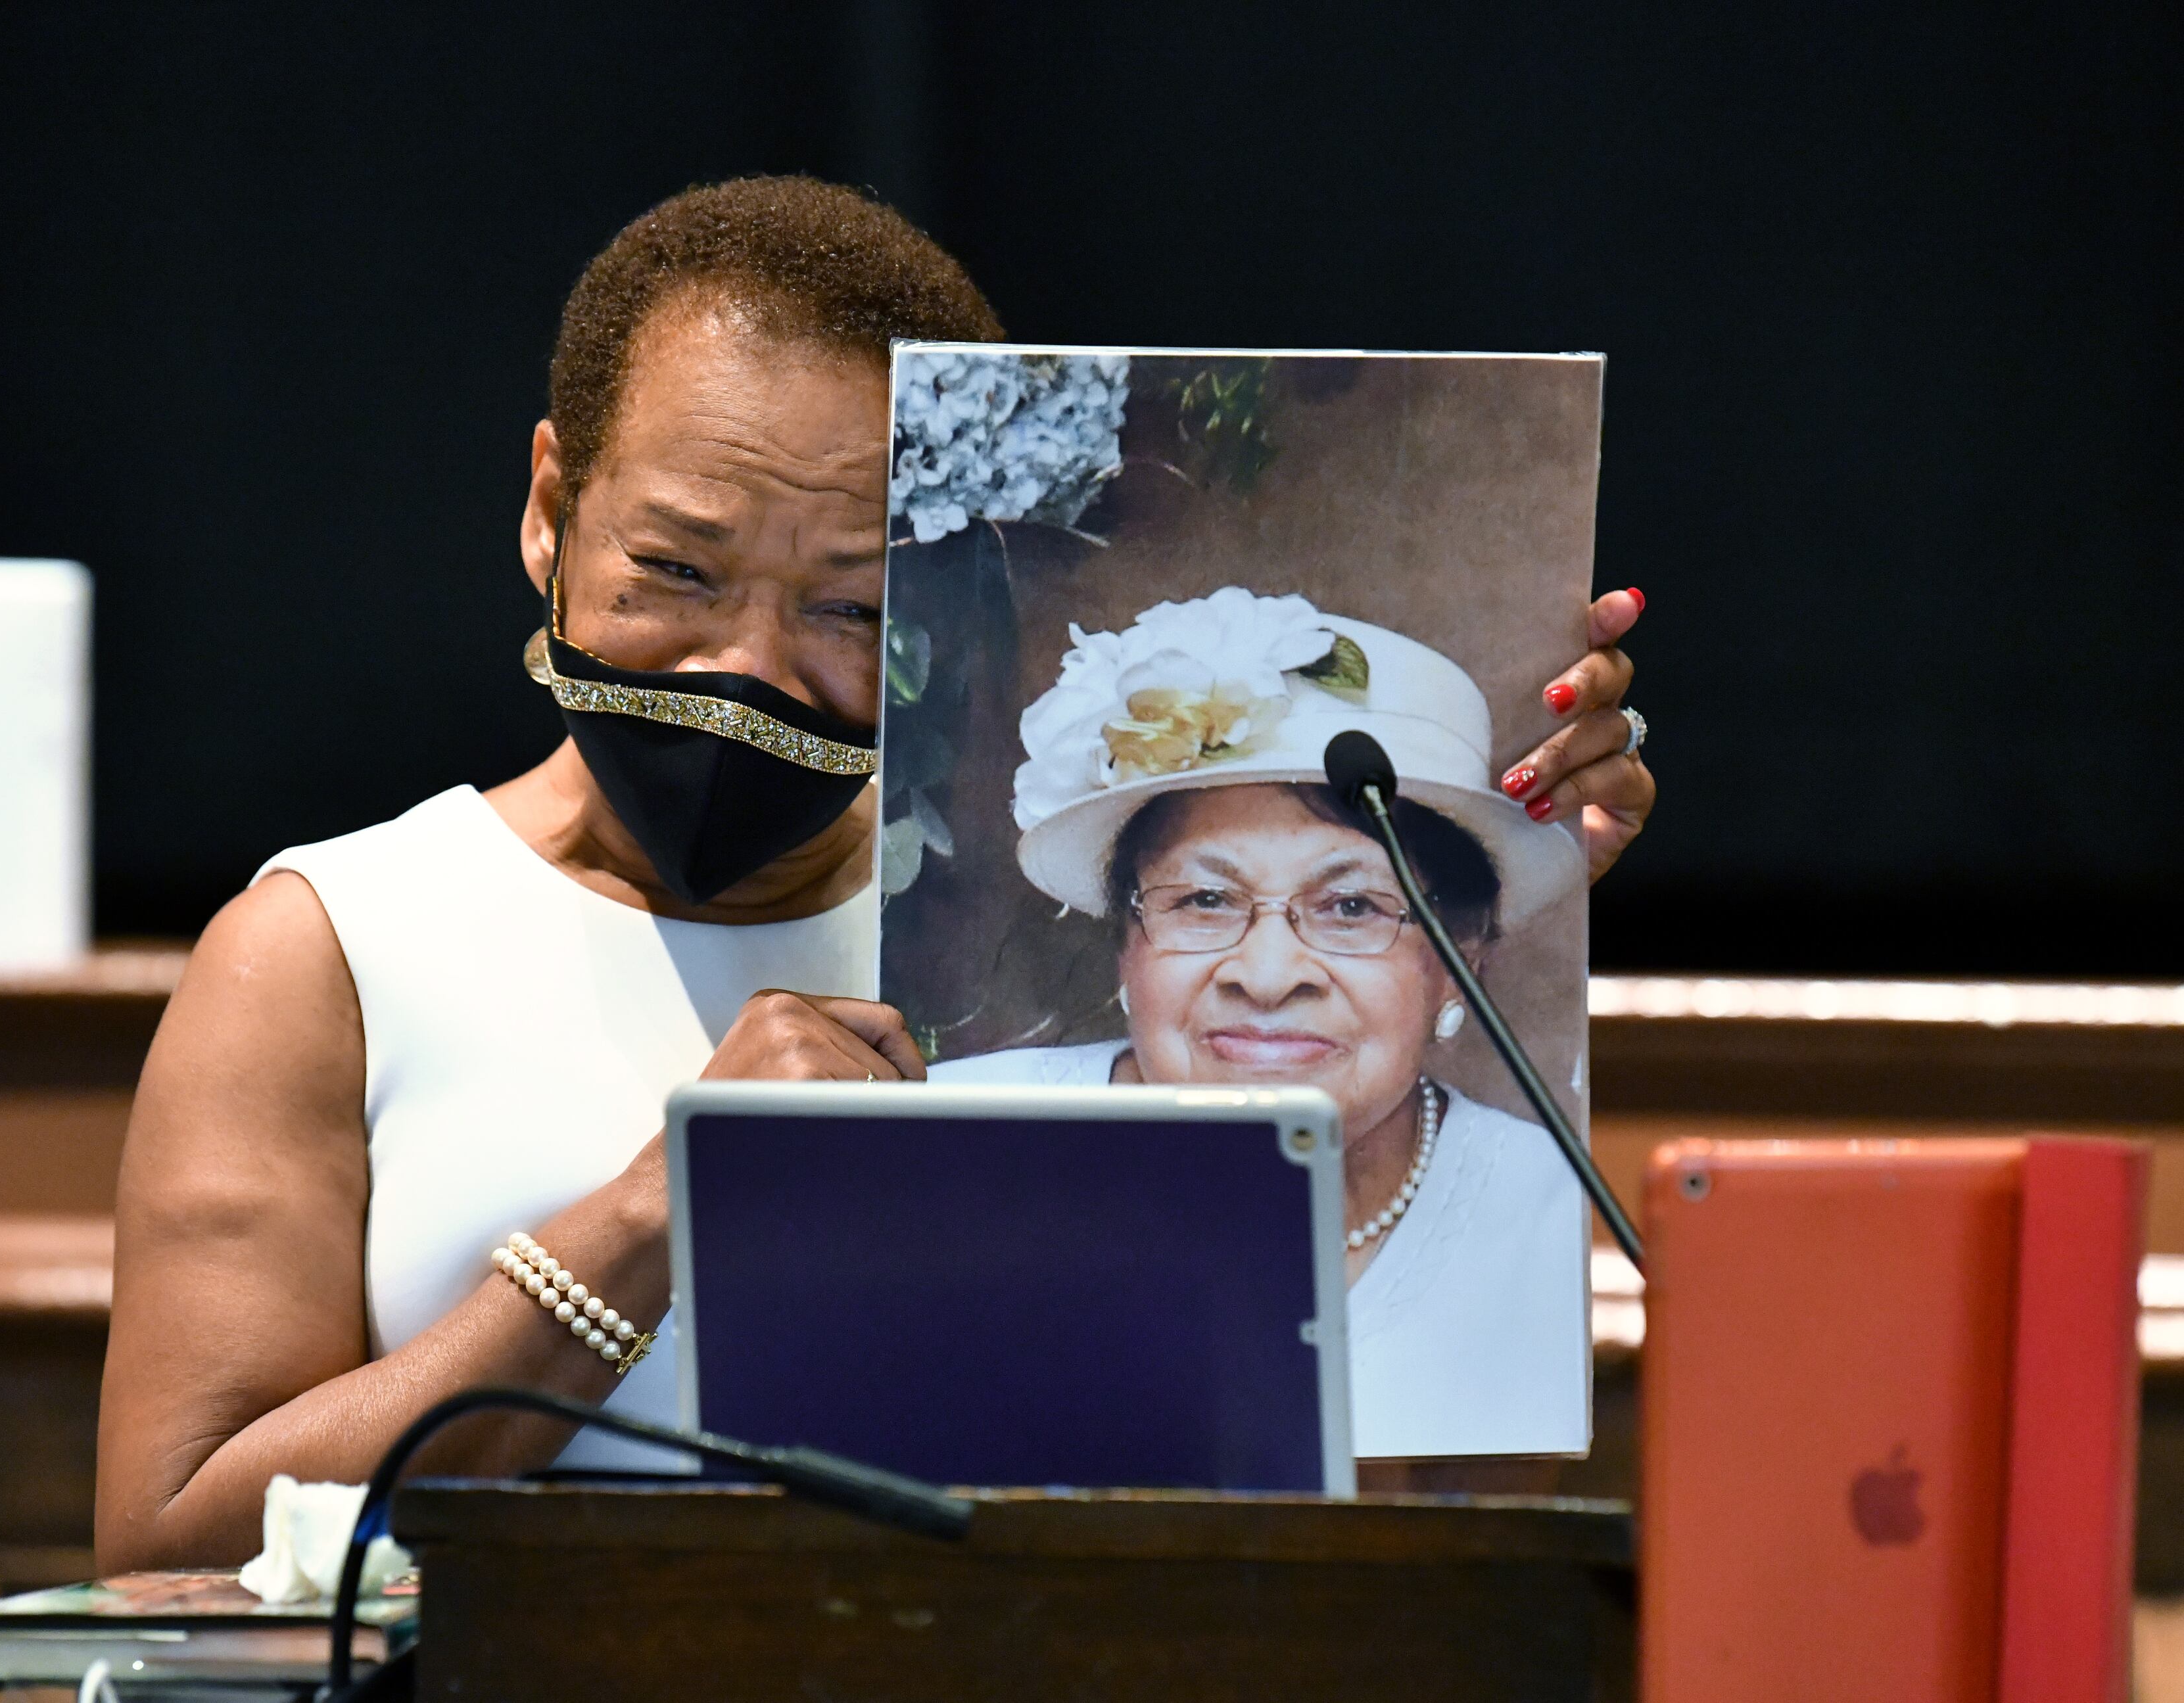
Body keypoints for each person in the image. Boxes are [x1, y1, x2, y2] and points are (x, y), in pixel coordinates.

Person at [93, 176, 1656, 1569]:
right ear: (553, 513)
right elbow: (168, 1540)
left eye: (847, 609)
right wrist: (656, 1212)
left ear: (940, 608)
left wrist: (1453, 905)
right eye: (676, 569)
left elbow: (1388, 1502)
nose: (745, 667)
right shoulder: (333, 947)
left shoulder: (1021, 975)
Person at [933, 590, 1593, 1455]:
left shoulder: (1561, 1216)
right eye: (1205, 900)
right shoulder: (937, 1150)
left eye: (1352, 906)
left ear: (1460, 960)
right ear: (1126, 944)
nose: (1269, 977)